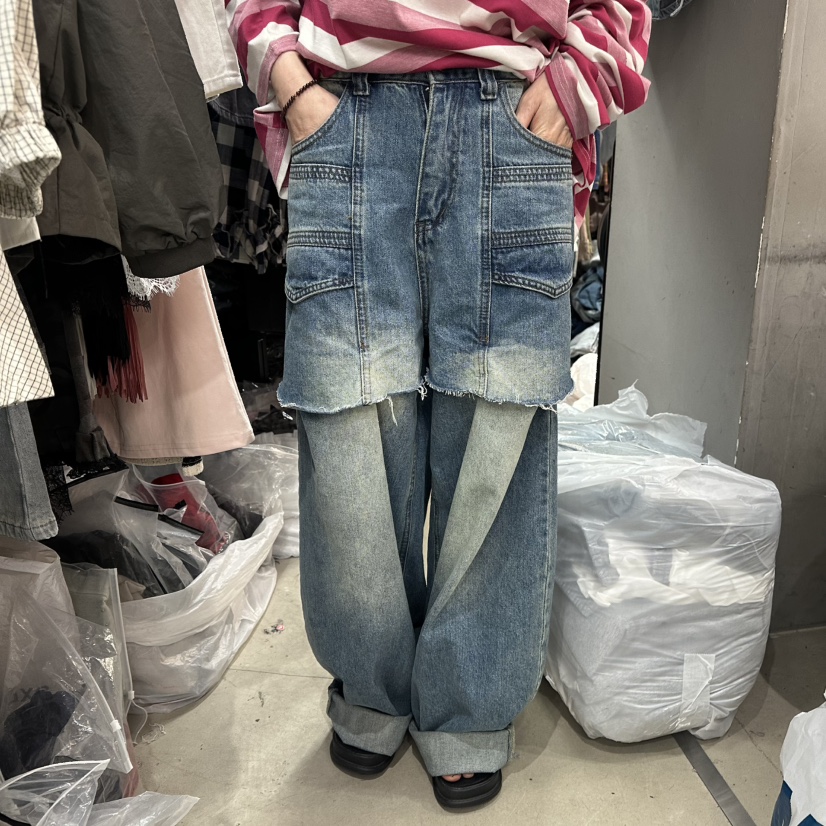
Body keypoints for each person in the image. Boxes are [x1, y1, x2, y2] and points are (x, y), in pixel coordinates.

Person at [228, 0, 651, 809]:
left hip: (510, 118)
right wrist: (290, 81)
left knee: (496, 435)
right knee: (349, 435)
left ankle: (467, 710)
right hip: (344, 112)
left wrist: (572, 87)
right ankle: (373, 689)